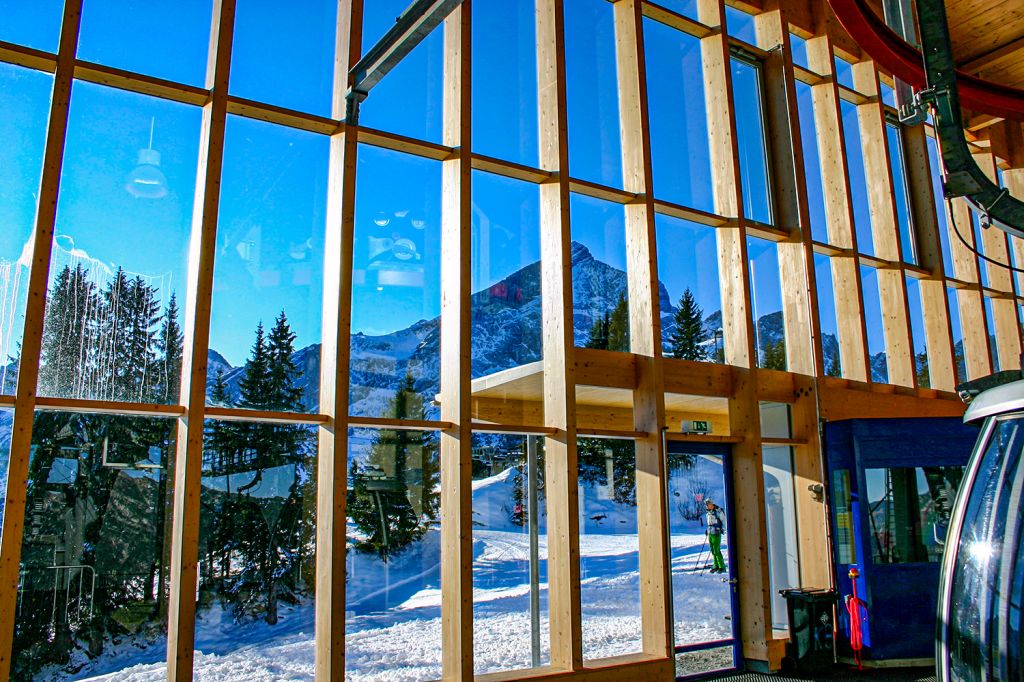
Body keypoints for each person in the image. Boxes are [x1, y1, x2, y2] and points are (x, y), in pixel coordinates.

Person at [705, 498, 727, 574]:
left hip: (717, 532)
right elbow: (709, 523)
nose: (707, 506)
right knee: (712, 550)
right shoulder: (708, 513)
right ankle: (715, 565)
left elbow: (724, 520)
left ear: (711, 504)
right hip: (710, 532)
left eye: (708, 504)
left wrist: (722, 529)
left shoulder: (718, 511)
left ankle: (722, 566)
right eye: (706, 505)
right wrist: (707, 530)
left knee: (716, 550)